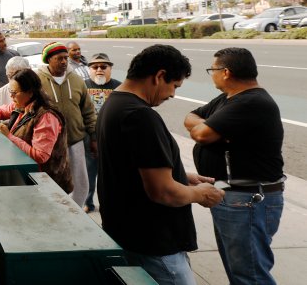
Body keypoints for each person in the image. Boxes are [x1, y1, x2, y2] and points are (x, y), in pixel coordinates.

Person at [98, 44, 224, 285]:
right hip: (155, 245)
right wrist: (199, 194)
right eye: (174, 86)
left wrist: (180, 174)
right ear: (159, 76)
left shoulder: (114, 103)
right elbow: (163, 191)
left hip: (127, 234)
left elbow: (129, 166)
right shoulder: (141, 116)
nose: (173, 94)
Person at [184, 47, 285, 285]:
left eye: (213, 69)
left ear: (226, 72)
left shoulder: (252, 102)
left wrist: (209, 129)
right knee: (238, 270)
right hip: (230, 194)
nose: (212, 74)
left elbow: (200, 134)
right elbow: (189, 117)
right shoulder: (228, 99)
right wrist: (214, 127)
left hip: (246, 199)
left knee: (249, 274)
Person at [0, 69, 72, 193]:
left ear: (30, 92)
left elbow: (40, 156)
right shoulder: (23, 104)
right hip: (27, 177)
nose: (11, 96)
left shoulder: (46, 117)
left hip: (45, 183)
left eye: (14, 92)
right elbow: (5, 109)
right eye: (10, 91)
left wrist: (9, 136)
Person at [35, 42, 96, 207]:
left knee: (81, 182)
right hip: (49, 144)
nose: (64, 62)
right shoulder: (37, 81)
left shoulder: (76, 80)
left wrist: (94, 136)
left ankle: (76, 213)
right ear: (48, 60)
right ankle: (54, 214)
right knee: (52, 183)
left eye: (65, 58)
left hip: (75, 140)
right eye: (59, 58)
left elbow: (88, 111)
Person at [82, 52, 121, 213]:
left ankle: (110, 204)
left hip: (112, 140)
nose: (99, 70)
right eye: (95, 67)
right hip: (88, 139)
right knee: (89, 175)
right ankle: (88, 202)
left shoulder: (119, 87)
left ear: (110, 69)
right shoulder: (82, 86)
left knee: (111, 176)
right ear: (89, 69)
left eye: (103, 66)